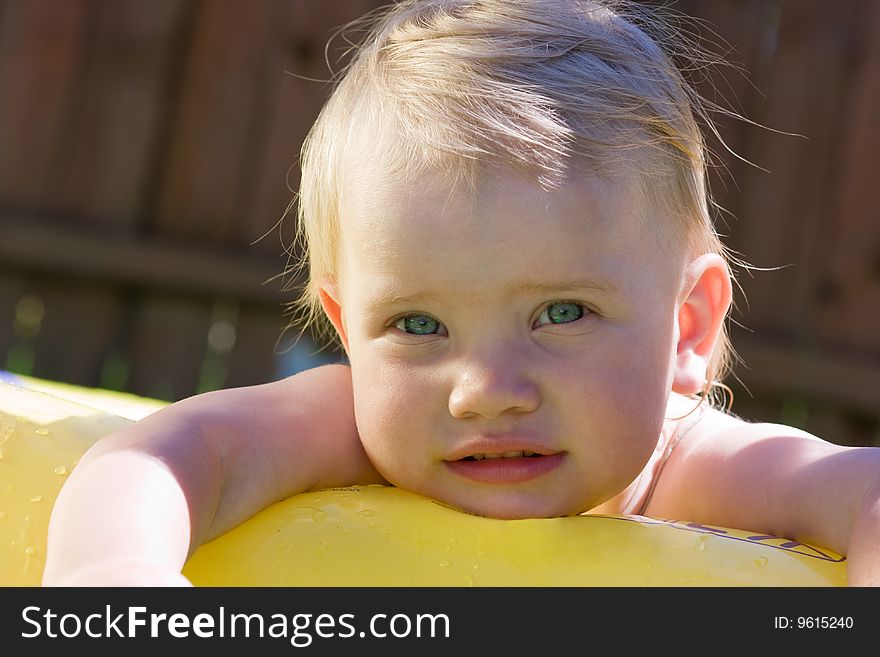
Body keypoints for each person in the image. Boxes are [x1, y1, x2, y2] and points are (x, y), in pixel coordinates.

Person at [42, 0, 880, 586]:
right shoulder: (361, 432)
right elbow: (163, 457)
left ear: (687, 326)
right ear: (349, 330)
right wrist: (111, 574)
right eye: (417, 323)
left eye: (560, 313)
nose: (483, 390)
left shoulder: (696, 470)